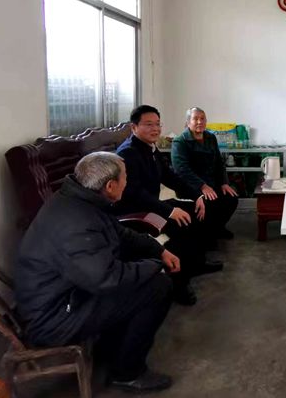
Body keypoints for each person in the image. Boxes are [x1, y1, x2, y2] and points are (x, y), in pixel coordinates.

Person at [15, 152, 178, 393]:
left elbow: (119, 233)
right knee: (158, 287)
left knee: (141, 271)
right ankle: (128, 373)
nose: (127, 183)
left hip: (66, 295)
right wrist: (155, 265)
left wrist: (158, 250)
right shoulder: (76, 222)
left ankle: (111, 349)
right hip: (54, 319)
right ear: (110, 186)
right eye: (125, 178)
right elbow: (108, 279)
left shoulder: (79, 199)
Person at [115, 105, 222, 306]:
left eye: (157, 124)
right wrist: (170, 211)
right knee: (181, 222)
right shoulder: (128, 153)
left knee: (196, 209)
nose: (155, 129)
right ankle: (178, 284)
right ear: (134, 127)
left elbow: (170, 177)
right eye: (149, 124)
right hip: (135, 211)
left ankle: (196, 263)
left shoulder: (150, 148)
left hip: (150, 204)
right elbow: (135, 194)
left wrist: (197, 195)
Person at [171, 107, 239, 239]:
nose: (199, 122)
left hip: (212, 184)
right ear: (188, 122)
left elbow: (219, 162)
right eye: (195, 119)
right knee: (209, 203)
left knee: (231, 198)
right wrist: (202, 186)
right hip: (191, 186)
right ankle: (206, 235)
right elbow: (181, 169)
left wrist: (224, 183)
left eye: (202, 119)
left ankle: (218, 228)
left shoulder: (210, 137)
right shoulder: (180, 141)